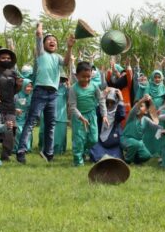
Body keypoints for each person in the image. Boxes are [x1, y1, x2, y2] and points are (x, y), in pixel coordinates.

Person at [17, 23, 74, 163]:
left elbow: (66, 62)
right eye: (49, 39)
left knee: (51, 124)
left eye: (54, 40)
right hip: (40, 91)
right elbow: (38, 35)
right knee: (31, 121)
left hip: (53, 94)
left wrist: (70, 47)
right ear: (42, 44)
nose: (52, 41)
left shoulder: (57, 57)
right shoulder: (41, 53)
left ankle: (48, 153)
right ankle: (21, 151)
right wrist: (40, 27)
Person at [68, 61, 107, 166]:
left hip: (91, 115)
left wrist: (104, 115)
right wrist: (81, 117)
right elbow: (72, 106)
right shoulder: (73, 89)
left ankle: (84, 152)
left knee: (93, 139)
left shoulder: (94, 86)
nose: (86, 79)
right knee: (79, 140)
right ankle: (78, 161)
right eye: (83, 77)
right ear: (77, 76)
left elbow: (101, 100)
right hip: (78, 117)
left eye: (88, 77)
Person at [121, 94, 162, 164]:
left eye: (141, 106)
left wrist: (151, 104)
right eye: (137, 106)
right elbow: (134, 110)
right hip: (126, 139)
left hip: (139, 143)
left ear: (146, 111)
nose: (138, 108)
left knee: (147, 156)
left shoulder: (146, 120)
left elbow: (156, 124)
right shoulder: (132, 117)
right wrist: (143, 100)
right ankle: (127, 160)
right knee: (135, 144)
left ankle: (135, 159)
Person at [89, 88, 127, 162]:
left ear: (116, 102)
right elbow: (96, 109)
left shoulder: (117, 112)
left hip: (113, 145)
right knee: (96, 156)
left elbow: (122, 114)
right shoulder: (101, 112)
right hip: (100, 143)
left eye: (112, 102)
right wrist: (102, 96)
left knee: (116, 159)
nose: (109, 105)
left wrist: (121, 99)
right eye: (107, 102)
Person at [14, 78, 33, 153]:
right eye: (27, 86)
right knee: (19, 131)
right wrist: (15, 110)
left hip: (27, 119)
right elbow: (11, 107)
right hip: (17, 119)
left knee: (28, 131)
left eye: (31, 86)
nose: (29, 88)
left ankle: (26, 148)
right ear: (23, 86)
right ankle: (17, 148)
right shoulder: (16, 96)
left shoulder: (32, 97)